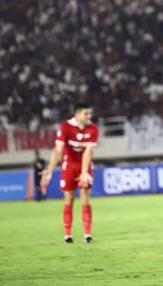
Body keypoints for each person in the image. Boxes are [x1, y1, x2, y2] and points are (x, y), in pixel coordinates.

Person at [40, 103, 99, 243]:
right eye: (86, 113)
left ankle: (87, 234)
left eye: (90, 113)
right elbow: (58, 150)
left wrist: (84, 172)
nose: (89, 116)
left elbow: (88, 152)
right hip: (69, 165)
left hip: (84, 164)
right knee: (69, 198)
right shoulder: (65, 127)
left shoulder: (93, 129)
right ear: (77, 115)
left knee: (85, 196)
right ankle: (68, 234)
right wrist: (49, 171)